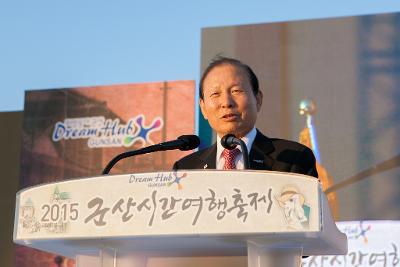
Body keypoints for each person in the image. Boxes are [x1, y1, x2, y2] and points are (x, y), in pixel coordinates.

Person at [173, 57, 318, 178]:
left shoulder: (294, 158)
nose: (226, 103)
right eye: (215, 94)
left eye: (236, 91)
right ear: (203, 107)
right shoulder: (185, 170)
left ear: (258, 99)